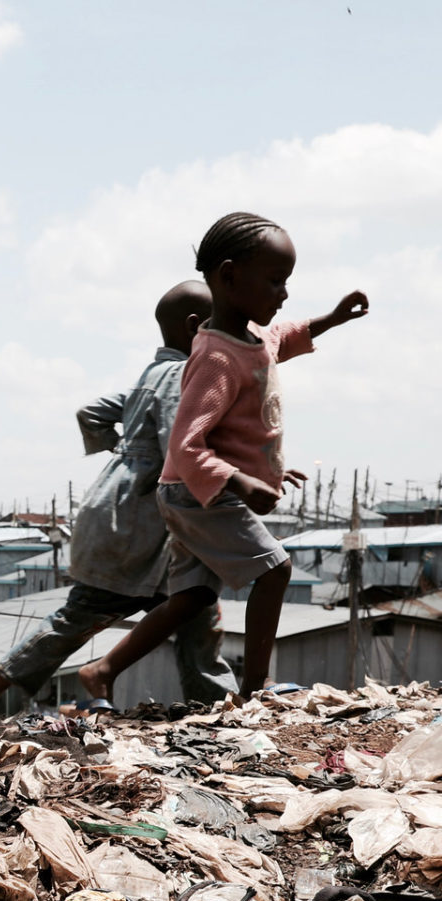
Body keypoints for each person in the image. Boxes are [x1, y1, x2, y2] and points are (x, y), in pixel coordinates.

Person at [76, 211, 369, 706]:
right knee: (275, 570)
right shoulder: (213, 357)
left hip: (194, 493)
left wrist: (333, 319)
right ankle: (256, 689)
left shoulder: (252, 340)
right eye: (275, 281)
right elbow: (186, 447)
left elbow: (287, 335)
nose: (284, 293)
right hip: (198, 494)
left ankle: (102, 670)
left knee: (192, 597)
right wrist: (242, 483)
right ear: (230, 277)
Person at [0, 280, 232, 724]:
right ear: (197, 327)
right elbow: (182, 444)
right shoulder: (179, 376)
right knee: (97, 613)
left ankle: (212, 707)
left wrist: (126, 452)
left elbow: (90, 413)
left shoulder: (150, 376)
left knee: (194, 607)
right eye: (221, 328)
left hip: (117, 507)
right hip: (137, 520)